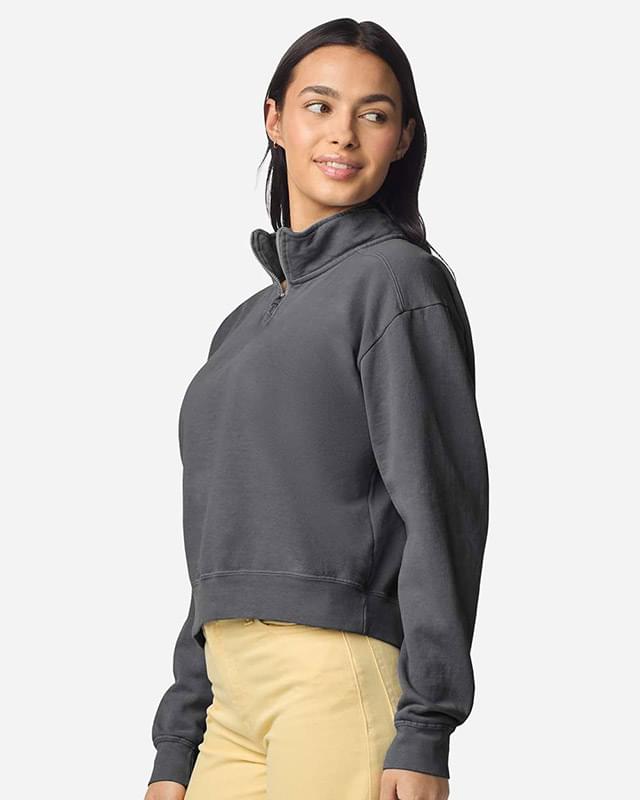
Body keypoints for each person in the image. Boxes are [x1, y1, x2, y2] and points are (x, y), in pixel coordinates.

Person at [144, 17, 489, 800]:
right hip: (229, 702)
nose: (344, 134)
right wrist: (179, 738)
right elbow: (215, 540)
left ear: (402, 138)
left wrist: (426, 727)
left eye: (374, 114)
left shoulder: (398, 282)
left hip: (335, 681)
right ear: (275, 119)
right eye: (320, 106)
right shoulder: (241, 326)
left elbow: (440, 511)